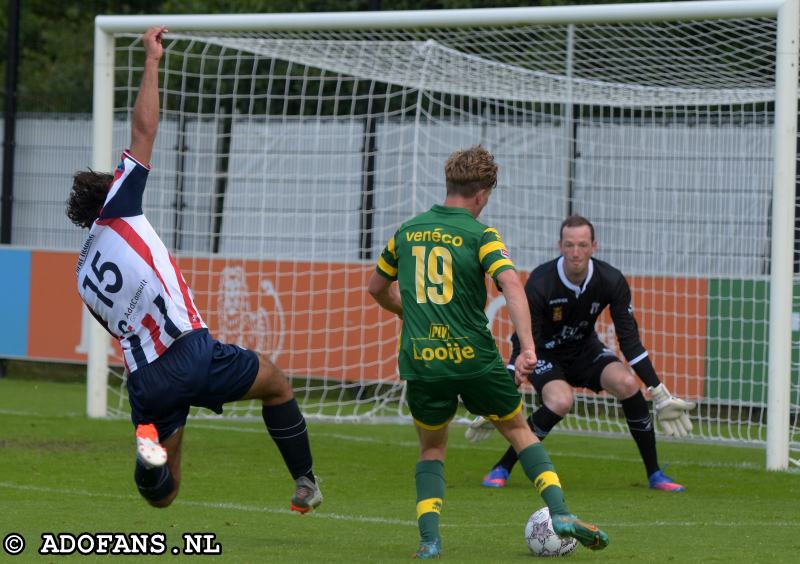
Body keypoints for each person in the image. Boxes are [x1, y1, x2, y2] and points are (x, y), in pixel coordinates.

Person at [67, 26, 322, 513]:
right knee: (276, 383)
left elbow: (117, 329)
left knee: (166, 492)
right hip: (189, 352)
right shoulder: (119, 207)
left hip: (144, 380)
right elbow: (144, 131)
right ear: (108, 192)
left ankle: (151, 463)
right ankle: (305, 480)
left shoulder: (81, 273)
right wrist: (152, 59)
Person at [367, 147, 608, 559]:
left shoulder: (405, 232)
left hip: (423, 360)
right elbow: (511, 284)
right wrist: (528, 349)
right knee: (518, 431)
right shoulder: (482, 235)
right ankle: (561, 513)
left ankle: (429, 541)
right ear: (481, 193)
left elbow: (375, 288)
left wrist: (410, 312)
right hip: (473, 358)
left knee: (431, 449)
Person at [466, 215, 695, 493]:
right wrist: (504, 391)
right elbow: (523, 342)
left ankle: (655, 473)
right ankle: (502, 467)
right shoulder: (541, 282)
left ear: (594, 247)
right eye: (570, 245)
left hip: (586, 350)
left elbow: (630, 342)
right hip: (544, 353)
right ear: (560, 246)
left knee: (627, 384)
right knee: (561, 400)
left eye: (582, 245)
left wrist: (658, 391)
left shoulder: (610, 279)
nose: (576, 252)